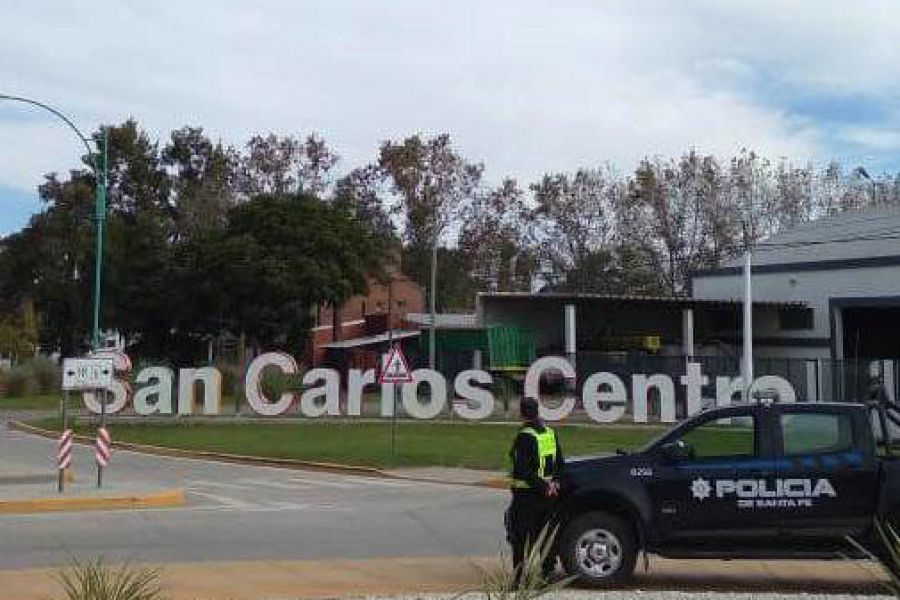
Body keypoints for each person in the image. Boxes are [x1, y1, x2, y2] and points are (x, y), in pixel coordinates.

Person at [506, 396, 564, 579]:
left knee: (520, 539)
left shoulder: (524, 437)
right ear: (537, 412)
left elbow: (522, 470)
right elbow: (560, 464)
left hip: (527, 497)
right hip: (549, 497)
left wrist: (542, 486)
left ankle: (518, 579)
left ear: (522, 414)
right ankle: (547, 576)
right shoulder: (550, 433)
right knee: (546, 537)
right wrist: (554, 483)